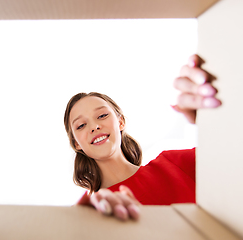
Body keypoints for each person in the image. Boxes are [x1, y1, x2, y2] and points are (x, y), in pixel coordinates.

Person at [63, 55, 221, 221]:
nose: (94, 126)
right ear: (76, 143)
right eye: (81, 125)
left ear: (120, 122)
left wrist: (213, 120)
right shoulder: (89, 214)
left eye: (102, 115)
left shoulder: (175, 162)